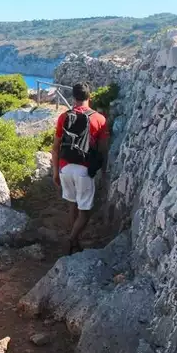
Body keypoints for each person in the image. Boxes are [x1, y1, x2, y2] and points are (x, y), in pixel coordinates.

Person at [51, 82, 110, 254]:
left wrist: (56, 172)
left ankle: (74, 242)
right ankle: (71, 240)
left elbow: (55, 148)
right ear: (89, 97)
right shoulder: (100, 119)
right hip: (84, 170)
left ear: (73, 98)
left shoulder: (64, 117)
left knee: (72, 205)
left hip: (65, 168)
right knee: (85, 212)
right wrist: (103, 170)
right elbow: (103, 149)